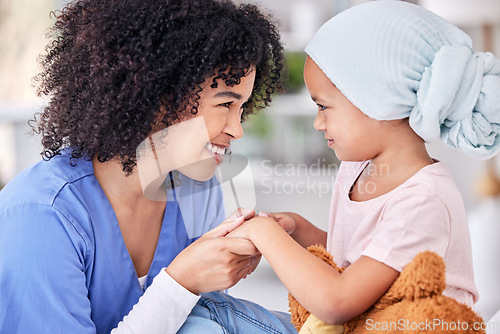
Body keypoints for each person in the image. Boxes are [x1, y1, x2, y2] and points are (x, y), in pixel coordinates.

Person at [193, 0, 500, 330]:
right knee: (207, 310)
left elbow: (337, 302)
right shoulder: (356, 169)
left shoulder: (424, 200)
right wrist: (297, 229)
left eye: (324, 106)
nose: (318, 123)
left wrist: (264, 233)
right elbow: (358, 261)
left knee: (212, 315)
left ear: (378, 100)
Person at [0, 0, 294, 333]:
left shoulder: (198, 188)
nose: (237, 129)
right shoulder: (41, 216)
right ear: (158, 93)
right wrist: (181, 281)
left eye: (241, 109)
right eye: (225, 103)